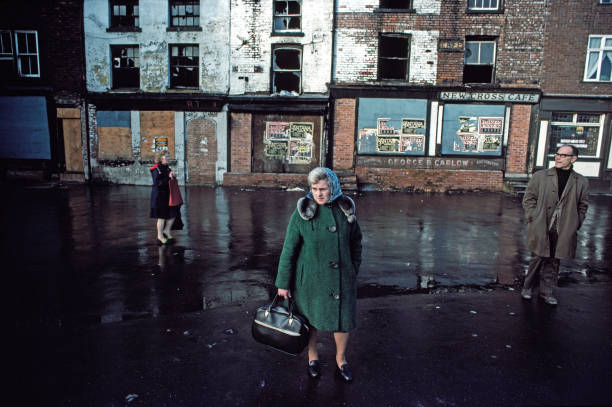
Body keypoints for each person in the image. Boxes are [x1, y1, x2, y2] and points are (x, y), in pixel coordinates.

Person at [275, 167, 363, 382]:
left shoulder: (345, 210)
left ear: (333, 188)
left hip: (341, 278)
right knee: (310, 321)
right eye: (314, 189)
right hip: (310, 280)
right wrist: (283, 284)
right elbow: (289, 249)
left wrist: (352, 269)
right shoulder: (303, 211)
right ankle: (312, 356)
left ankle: (341, 359)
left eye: (323, 189)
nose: (319, 193)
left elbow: (356, 242)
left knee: (342, 321)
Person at [521, 144, 589, 305]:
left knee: (554, 260)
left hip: (564, 227)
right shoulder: (541, 176)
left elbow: (583, 205)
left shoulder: (581, 181)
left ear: (573, 159)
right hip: (542, 224)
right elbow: (528, 199)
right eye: (557, 154)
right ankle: (527, 287)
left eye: (563, 155)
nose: (558, 157)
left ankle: (546, 292)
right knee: (537, 257)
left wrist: (576, 223)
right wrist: (533, 216)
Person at [150, 151, 179, 245]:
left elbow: (169, 180)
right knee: (162, 217)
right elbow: (158, 183)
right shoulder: (156, 168)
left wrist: (173, 176)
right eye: (166, 156)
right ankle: (160, 236)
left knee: (174, 213)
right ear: (160, 158)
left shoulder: (167, 168)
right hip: (159, 196)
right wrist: (168, 178)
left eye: (169, 156)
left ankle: (166, 231)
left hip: (168, 195)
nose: (168, 157)